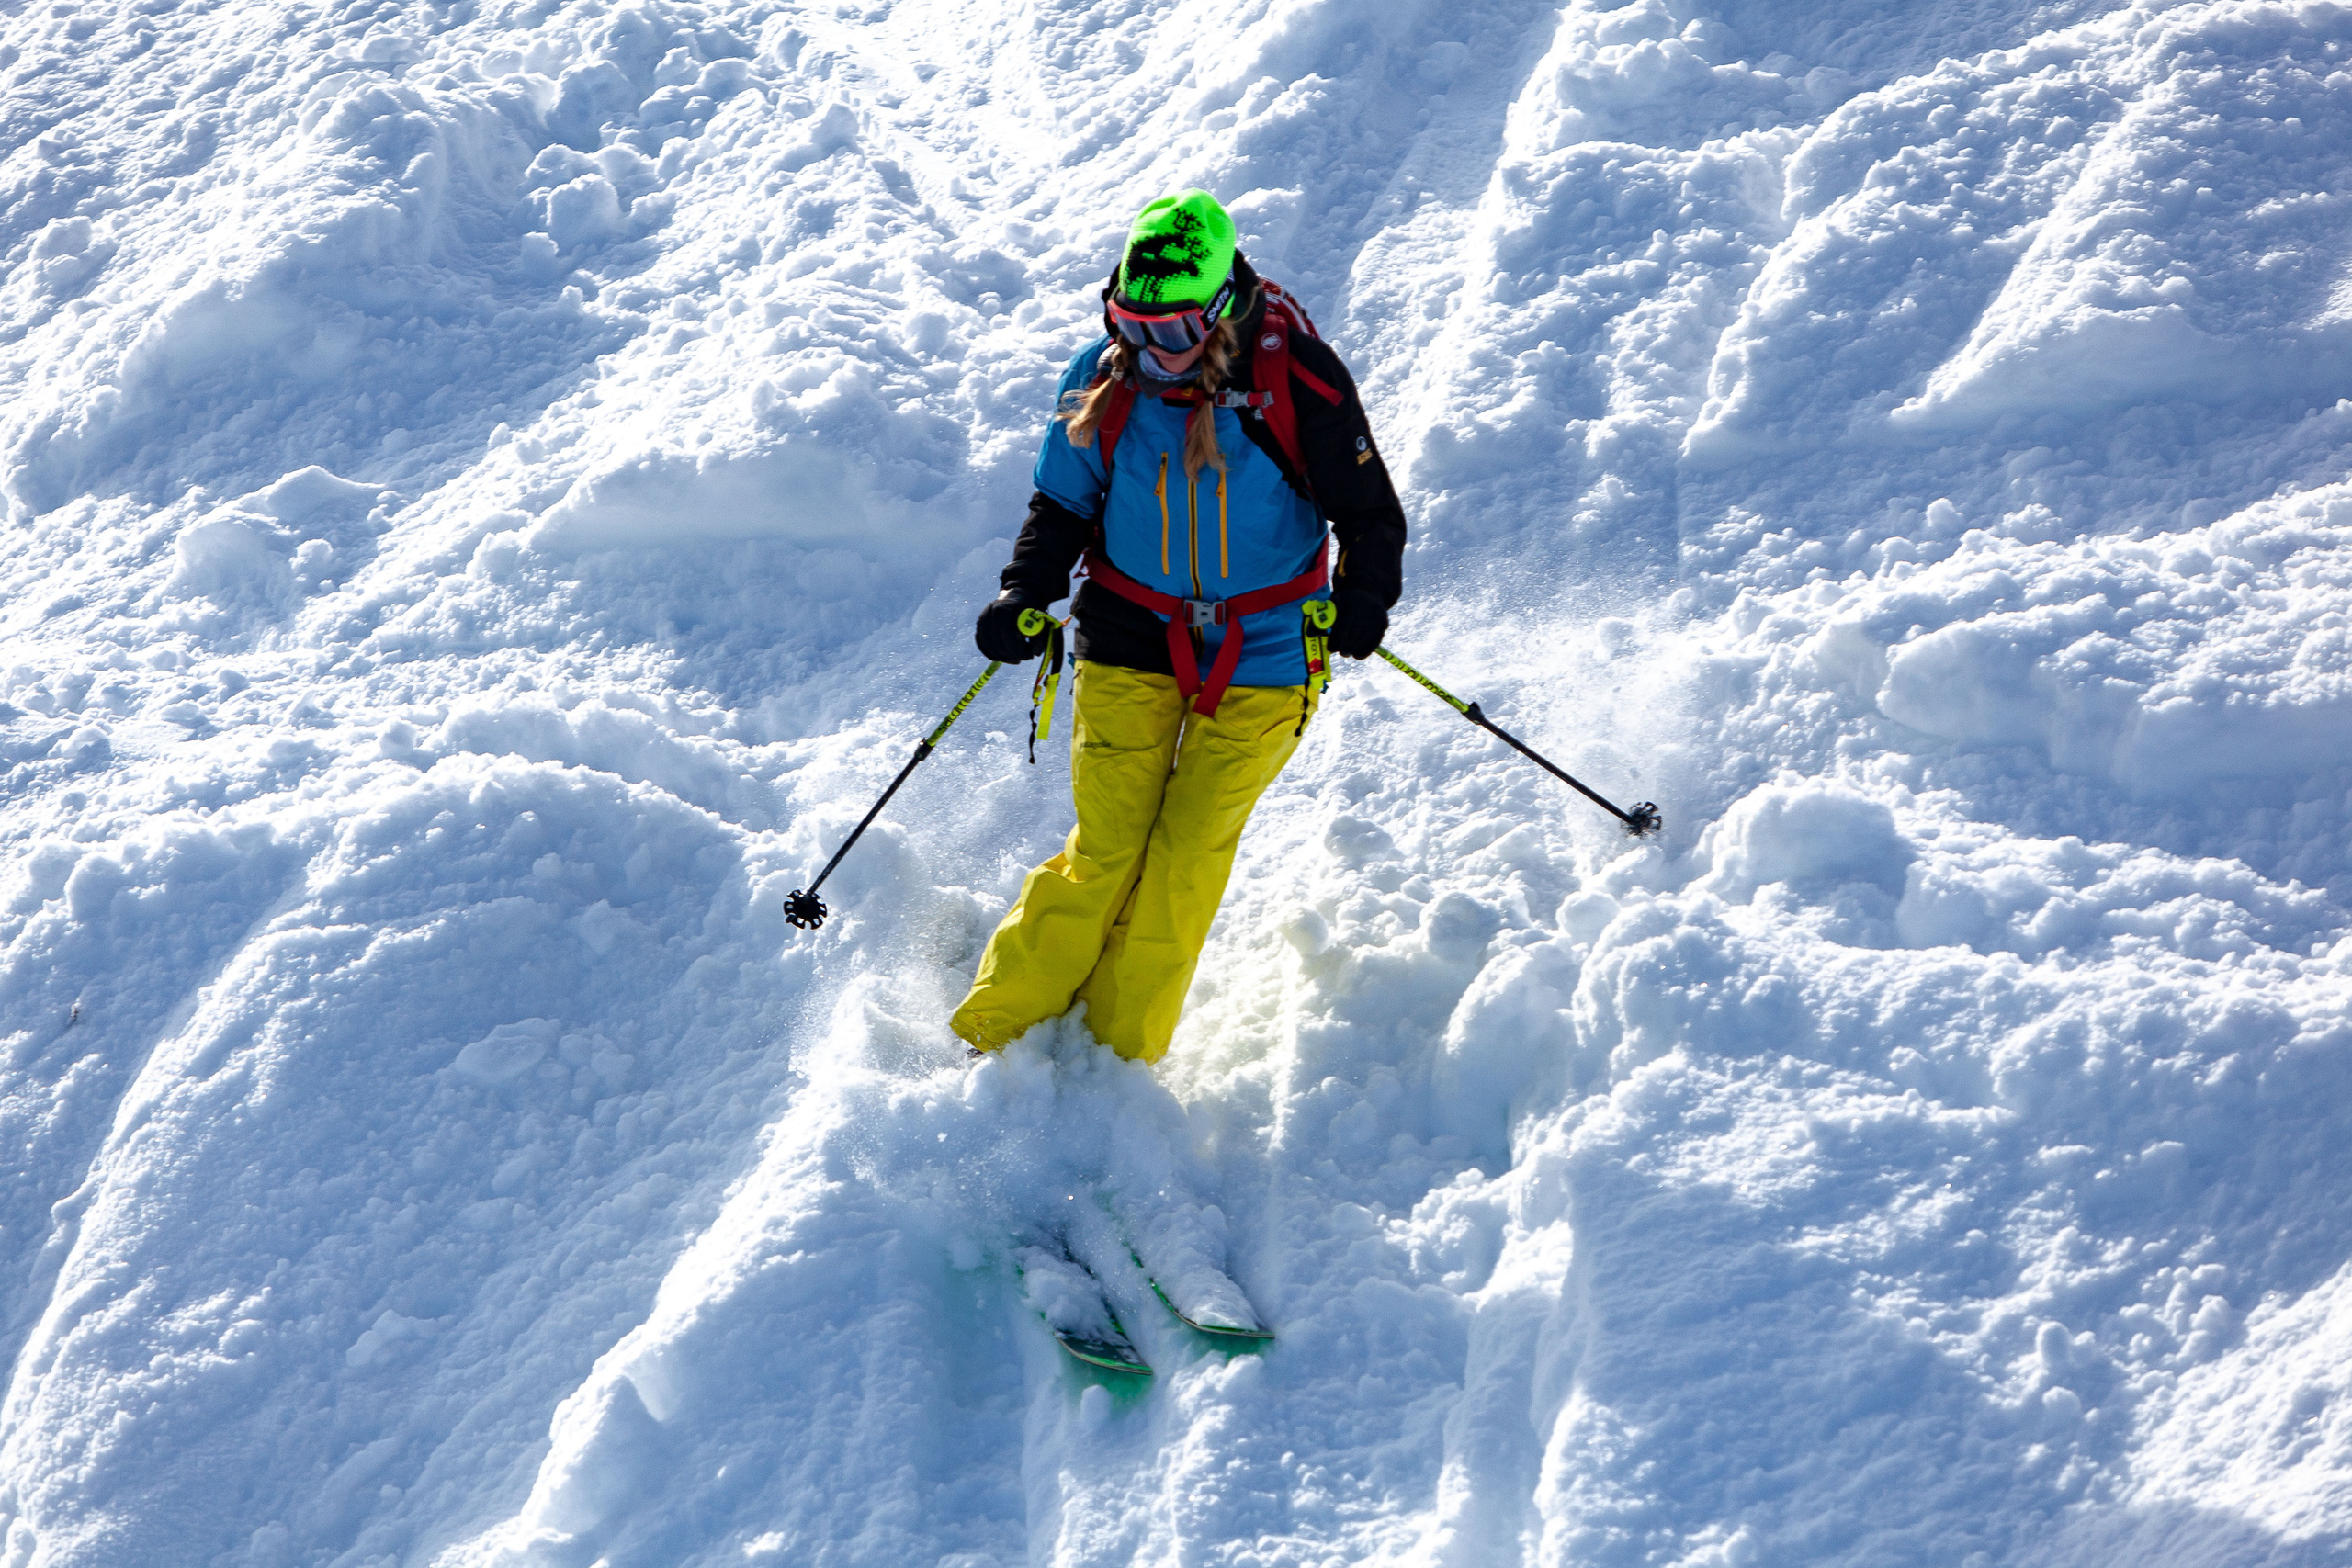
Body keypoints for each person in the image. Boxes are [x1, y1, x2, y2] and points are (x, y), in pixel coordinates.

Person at [949, 189, 1407, 1063]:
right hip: (1130, 629)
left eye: (1174, 329)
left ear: (1224, 307)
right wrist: (1023, 592)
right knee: (1108, 848)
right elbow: (1061, 504)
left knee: (1186, 852)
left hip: (1267, 644)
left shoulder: (1297, 377)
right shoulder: (1104, 375)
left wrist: (1363, 597)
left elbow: (1369, 513)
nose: (1153, 349)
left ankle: (1115, 1057)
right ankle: (993, 1035)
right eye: (1133, 323)